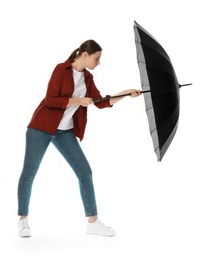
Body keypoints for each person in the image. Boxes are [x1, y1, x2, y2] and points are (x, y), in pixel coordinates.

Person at [17, 39, 141, 238]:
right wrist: (78, 101)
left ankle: (93, 222)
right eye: (96, 58)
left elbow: (100, 102)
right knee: (29, 173)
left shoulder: (88, 78)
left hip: (64, 132)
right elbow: (51, 100)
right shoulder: (61, 69)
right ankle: (23, 220)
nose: (98, 63)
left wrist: (125, 94)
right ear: (85, 54)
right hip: (41, 128)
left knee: (84, 172)